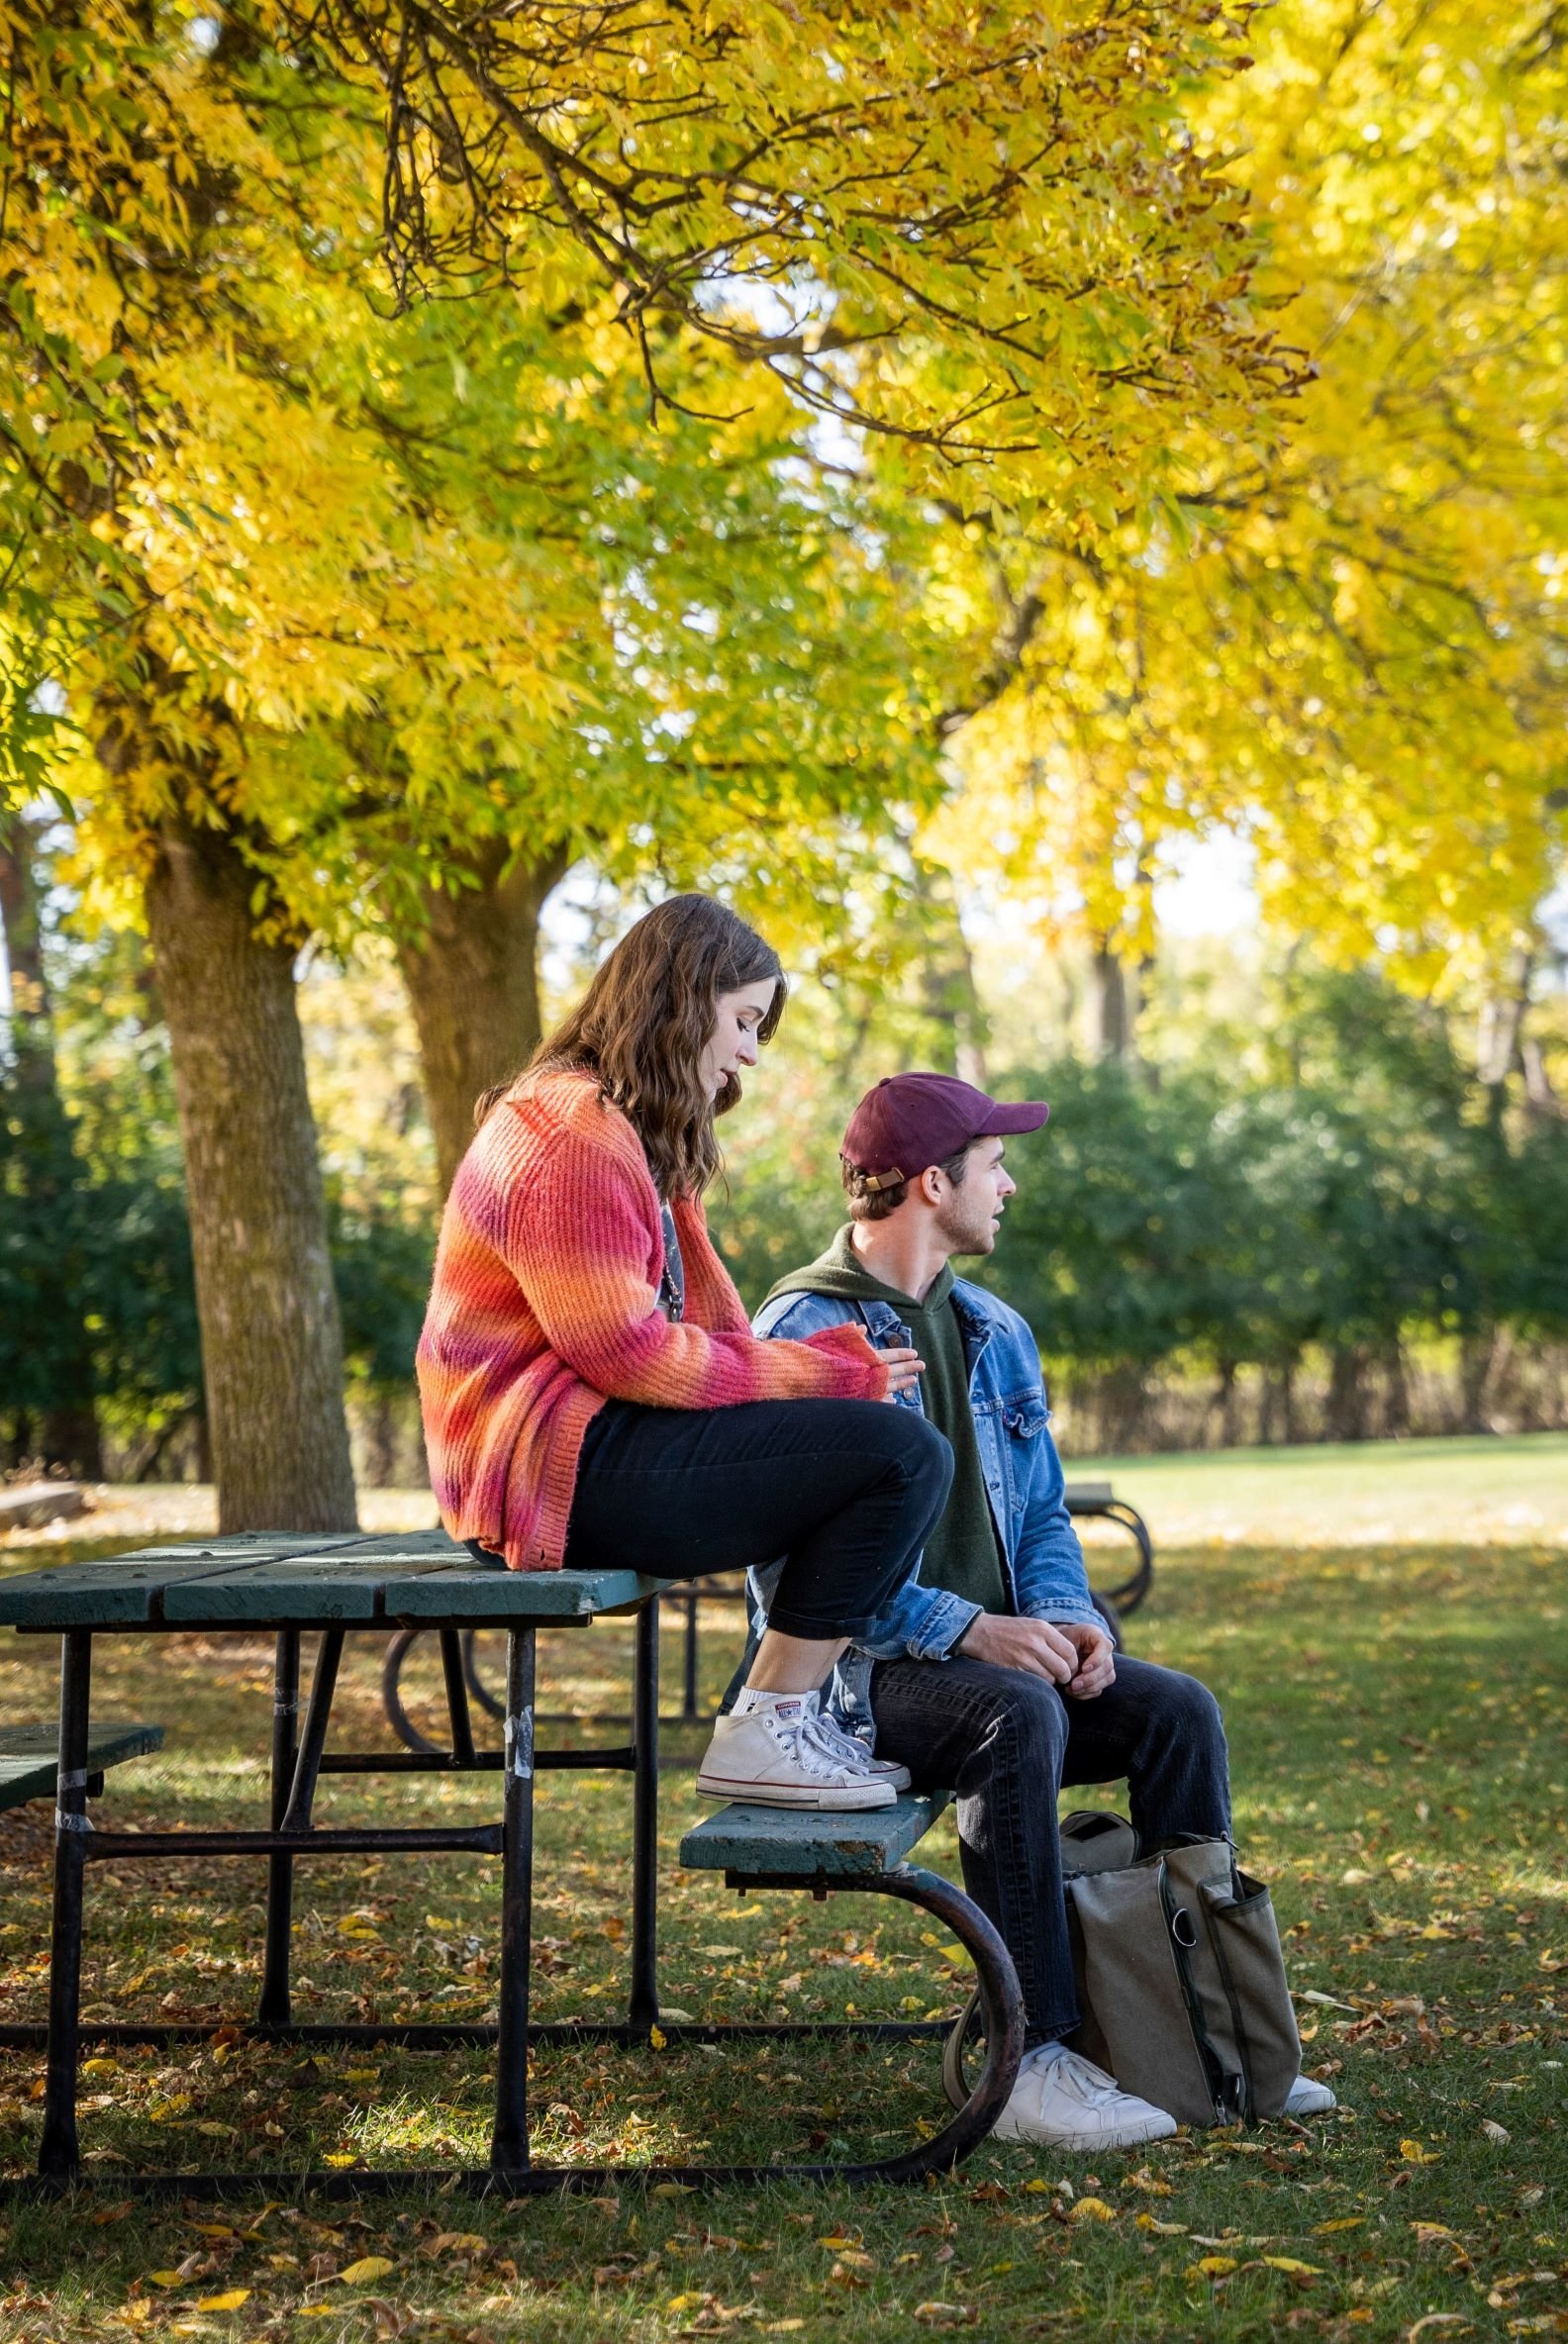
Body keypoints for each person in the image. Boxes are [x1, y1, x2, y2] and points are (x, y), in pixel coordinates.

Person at [753, 1070, 1335, 2149]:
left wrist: (1073, 1622)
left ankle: (1209, 2024)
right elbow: (789, 1569)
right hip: (850, 1689)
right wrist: (971, 1632)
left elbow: (1041, 1522)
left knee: (1176, 1711)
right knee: (1012, 1717)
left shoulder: (990, 1328)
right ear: (933, 1182)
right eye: (994, 1165)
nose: (1009, 1185)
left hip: (998, 1662)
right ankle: (1037, 2058)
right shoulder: (799, 1328)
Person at [416, 896, 954, 1811]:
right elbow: (630, 1354)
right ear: (680, 998)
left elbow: (701, 1330)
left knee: (879, 1445)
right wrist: (818, 1371)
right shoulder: (569, 1137)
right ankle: (770, 1720)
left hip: (575, 1450)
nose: (750, 1051)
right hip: (540, 1470)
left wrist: (816, 1383)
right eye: (744, 1021)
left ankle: (789, 1713)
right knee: (900, 1458)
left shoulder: (620, 1128)